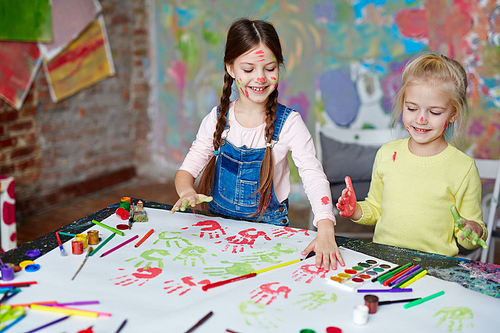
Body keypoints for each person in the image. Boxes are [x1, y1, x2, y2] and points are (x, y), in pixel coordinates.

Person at [171, 18, 344, 270]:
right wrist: (187, 191)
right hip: (218, 226)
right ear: (230, 68)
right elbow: (187, 169)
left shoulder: (290, 124)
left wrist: (326, 228)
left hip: (269, 231)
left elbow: (313, 176)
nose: (260, 78)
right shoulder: (217, 118)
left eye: (270, 68)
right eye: (248, 70)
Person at [336, 53, 488, 257]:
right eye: (412, 108)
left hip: (435, 267)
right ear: (403, 104)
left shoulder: (463, 167)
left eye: (435, 112)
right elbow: (375, 208)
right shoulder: (387, 153)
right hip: (385, 259)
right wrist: (355, 210)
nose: (421, 119)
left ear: (453, 114)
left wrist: (472, 231)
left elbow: (472, 231)